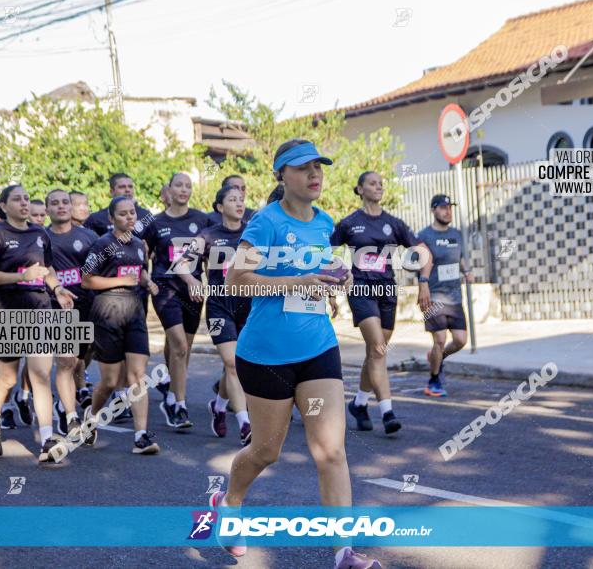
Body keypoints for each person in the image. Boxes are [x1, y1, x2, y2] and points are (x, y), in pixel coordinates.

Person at [210, 139, 381, 569]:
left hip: (317, 349)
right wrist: (298, 280)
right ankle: (228, 502)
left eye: (318, 167)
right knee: (266, 451)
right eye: (303, 168)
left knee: (331, 450)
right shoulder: (264, 223)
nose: (314, 175)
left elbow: (320, 277)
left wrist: (333, 278)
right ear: (281, 175)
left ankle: (344, 552)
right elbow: (236, 280)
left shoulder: (326, 224)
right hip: (266, 355)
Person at [0, 184, 75, 463]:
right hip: (7, 311)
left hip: (39, 308)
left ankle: (46, 440)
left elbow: (48, 269)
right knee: (7, 377)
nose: (24, 203)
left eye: (27, 199)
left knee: (40, 376)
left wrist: (57, 289)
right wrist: (21, 277)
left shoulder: (39, 233)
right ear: (4, 206)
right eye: (17, 199)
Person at [329, 171, 431, 435]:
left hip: (387, 289)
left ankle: (359, 403)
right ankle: (387, 412)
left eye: (381, 184)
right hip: (360, 288)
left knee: (375, 351)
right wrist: (335, 278)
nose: (378, 187)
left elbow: (422, 252)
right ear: (360, 189)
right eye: (372, 184)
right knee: (377, 348)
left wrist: (424, 281)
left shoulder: (393, 223)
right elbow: (325, 250)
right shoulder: (350, 223)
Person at [81, 197, 160, 454]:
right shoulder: (102, 245)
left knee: (138, 375)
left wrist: (147, 281)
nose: (129, 217)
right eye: (123, 214)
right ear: (111, 218)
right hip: (107, 313)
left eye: (132, 213)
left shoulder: (139, 245)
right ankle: (91, 417)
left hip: (134, 311)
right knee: (111, 380)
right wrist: (119, 280)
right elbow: (86, 280)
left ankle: (141, 436)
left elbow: (138, 271)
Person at [174, 185, 252, 445]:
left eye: (241, 199)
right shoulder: (208, 236)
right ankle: (245, 425)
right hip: (220, 306)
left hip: (249, 306)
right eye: (232, 199)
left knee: (239, 364)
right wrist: (191, 280)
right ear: (220, 207)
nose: (239, 203)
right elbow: (181, 263)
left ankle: (219, 406)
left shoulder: (253, 233)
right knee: (232, 365)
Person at [144, 173, 210, 430]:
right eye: (178, 185)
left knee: (183, 348)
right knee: (180, 345)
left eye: (188, 185)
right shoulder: (155, 222)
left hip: (193, 289)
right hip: (164, 287)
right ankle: (178, 406)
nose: (184, 189)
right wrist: (146, 280)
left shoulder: (202, 220)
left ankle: (171, 393)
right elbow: (143, 254)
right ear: (169, 190)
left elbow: (210, 252)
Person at [45, 189, 98, 437]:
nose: (61, 206)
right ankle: (70, 415)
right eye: (54, 203)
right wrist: (56, 288)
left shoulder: (89, 236)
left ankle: (71, 395)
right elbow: (43, 269)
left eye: (64, 202)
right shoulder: (41, 237)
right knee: (65, 360)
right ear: (47, 210)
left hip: (88, 305)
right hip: (58, 307)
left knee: (80, 358)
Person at [417, 194, 474, 396]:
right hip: (434, 297)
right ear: (433, 210)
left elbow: (460, 259)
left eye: (450, 207)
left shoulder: (457, 235)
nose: (447, 211)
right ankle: (433, 381)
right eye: (443, 207)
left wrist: (466, 271)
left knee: (460, 340)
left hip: (455, 297)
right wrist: (422, 286)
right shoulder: (424, 236)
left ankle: (436, 357)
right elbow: (417, 264)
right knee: (439, 339)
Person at [83, 173, 152, 237]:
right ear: (111, 192)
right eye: (122, 187)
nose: (127, 190)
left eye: (130, 187)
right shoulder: (96, 219)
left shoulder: (146, 216)